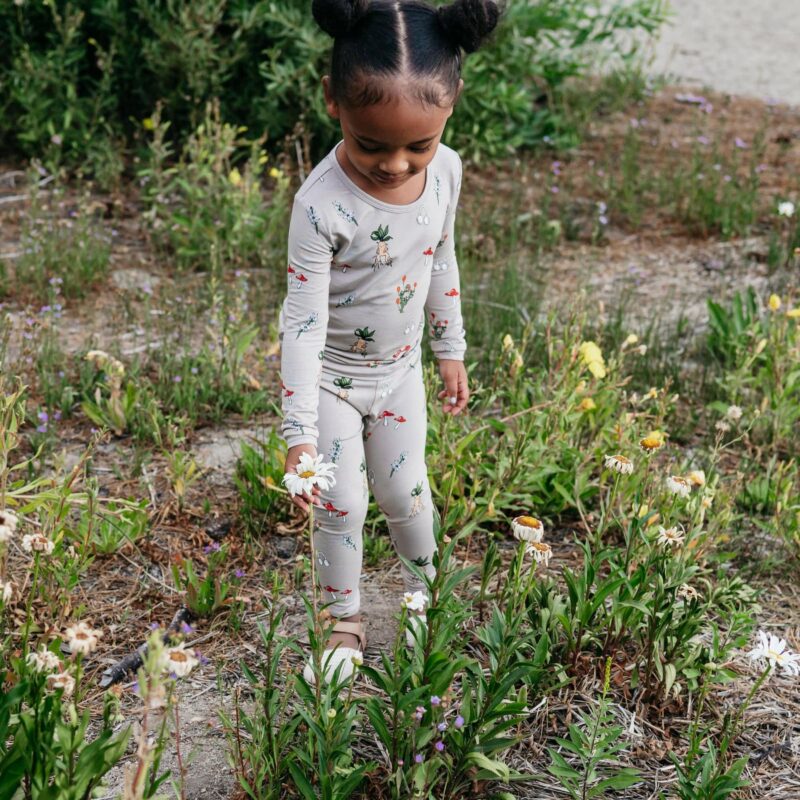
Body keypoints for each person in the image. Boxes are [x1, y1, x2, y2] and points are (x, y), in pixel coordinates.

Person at [279, 0, 501, 683]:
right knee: (341, 500)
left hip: (401, 372)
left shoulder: (449, 172)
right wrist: (300, 431)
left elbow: (441, 258)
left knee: (406, 491)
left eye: (418, 145)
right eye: (371, 144)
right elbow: (303, 319)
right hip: (333, 379)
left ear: (453, 103)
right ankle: (340, 619)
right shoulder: (321, 205)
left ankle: (424, 597)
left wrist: (450, 348)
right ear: (333, 101)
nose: (396, 165)